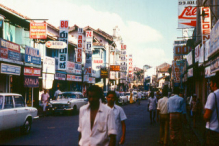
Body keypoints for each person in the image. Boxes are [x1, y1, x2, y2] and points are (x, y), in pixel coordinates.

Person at [204, 74, 219, 146]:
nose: (210, 85)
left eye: (211, 84)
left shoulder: (213, 95)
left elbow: (207, 115)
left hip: (213, 129)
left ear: (215, 84)